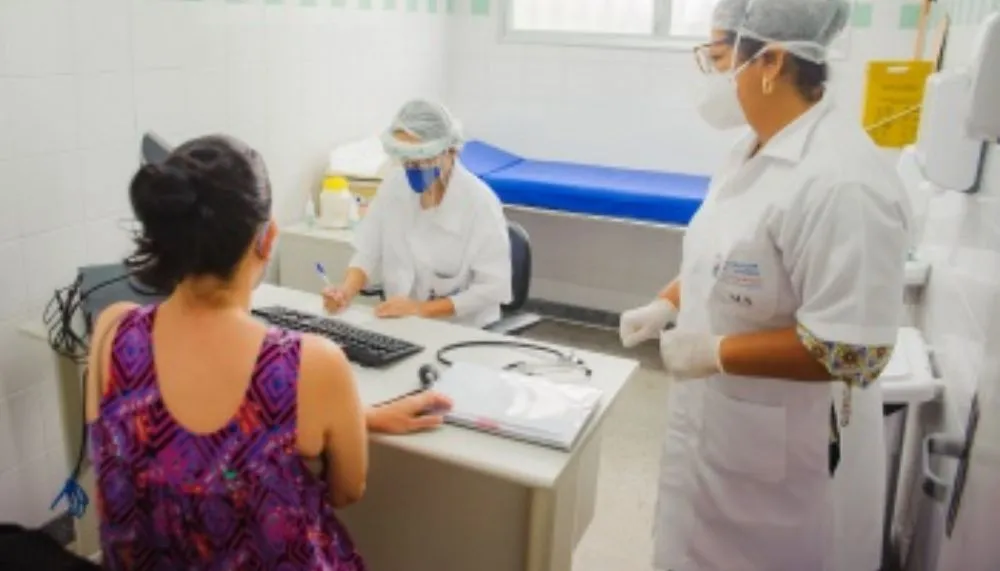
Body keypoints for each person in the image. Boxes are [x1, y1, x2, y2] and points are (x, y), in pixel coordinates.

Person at [618, 1, 911, 570]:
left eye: (720, 57)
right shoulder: (747, 150)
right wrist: (666, 303)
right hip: (717, 444)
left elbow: (855, 352)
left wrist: (716, 352)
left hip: (788, 479)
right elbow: (726, 260)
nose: (709, 75)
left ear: (772, 60)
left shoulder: (843, 184)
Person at [85, 135, 452, 570]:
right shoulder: (308, 365)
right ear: (268, 237)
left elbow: (176, 451)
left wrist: (357, 417)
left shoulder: (112, 331)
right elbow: (345, 491)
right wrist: (344, 415)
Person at [322, 100, 512, 329]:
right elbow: (367, 253)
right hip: (402, 325)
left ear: (449, 151)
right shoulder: (393, 186)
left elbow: (494, 288)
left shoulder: (480, 204)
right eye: (407, 160)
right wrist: (346, 291)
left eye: (422, 159)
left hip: (460, 330)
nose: (413, 168)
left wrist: (420, 309)